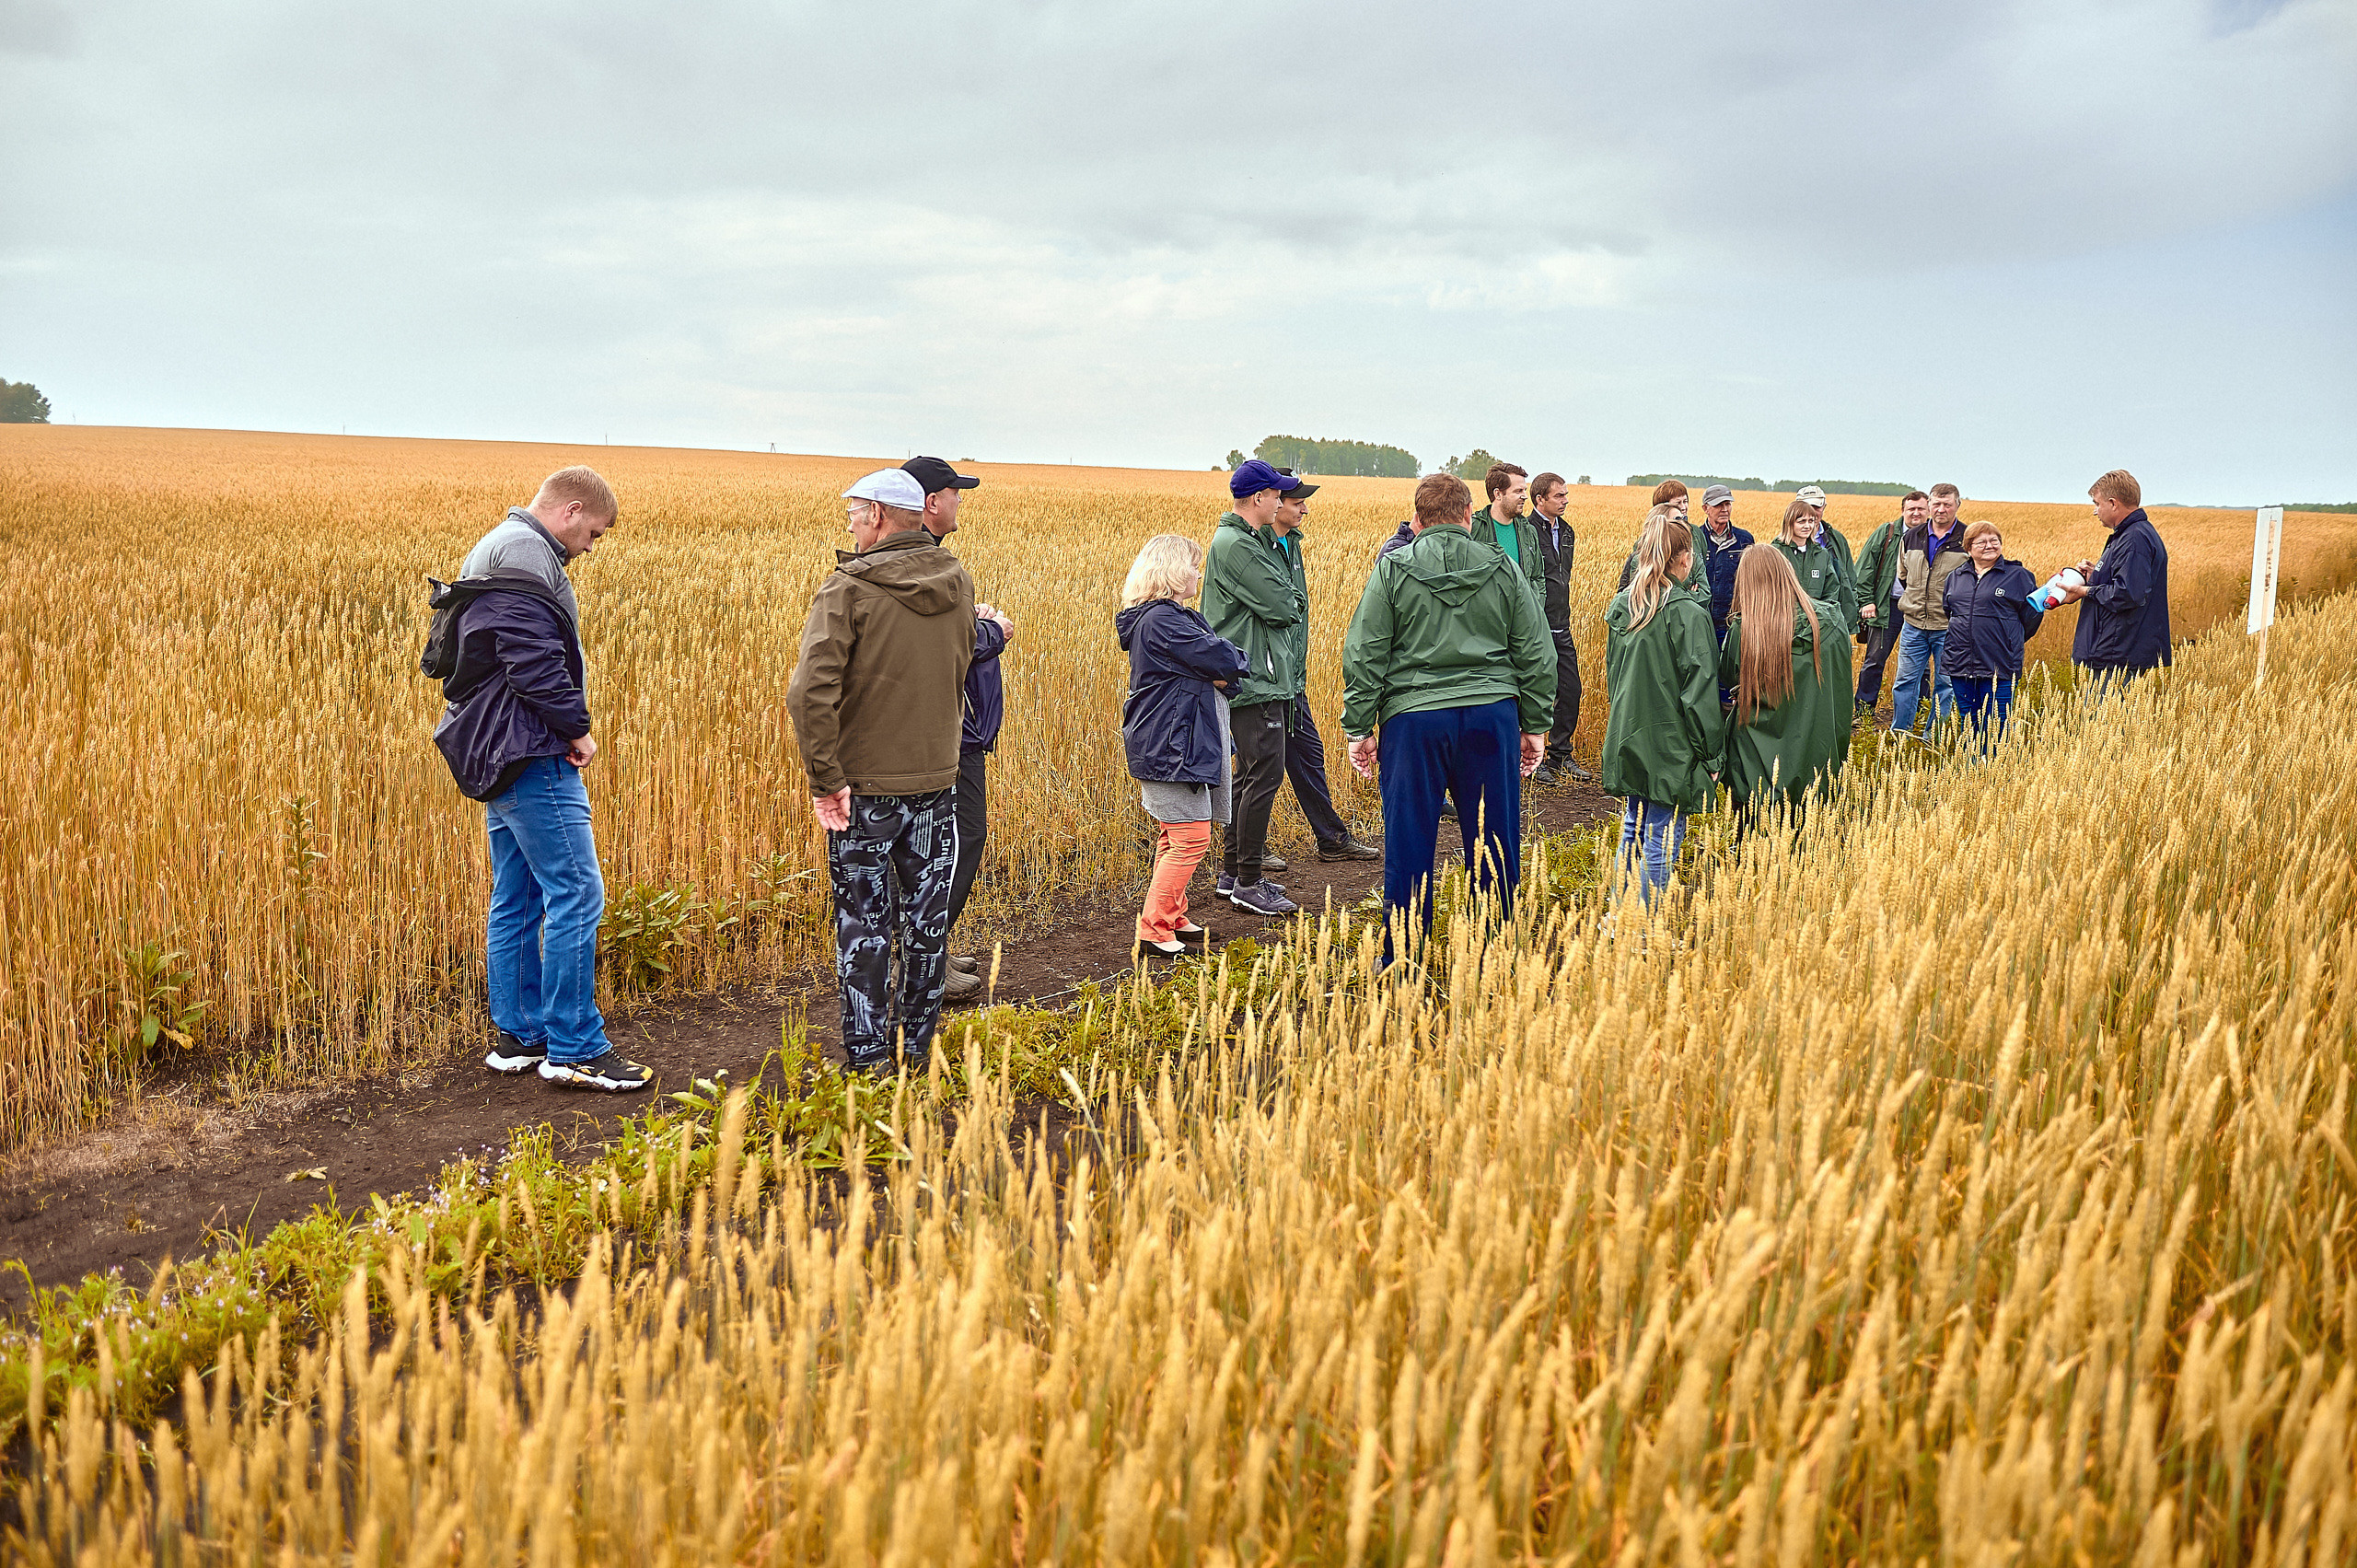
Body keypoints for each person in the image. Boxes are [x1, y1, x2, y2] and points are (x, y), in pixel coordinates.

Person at [442, 466, 652, 1092]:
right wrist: (577, 729)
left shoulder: (499, 545)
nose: (591, 547)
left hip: (497, 751)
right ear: (572, 509)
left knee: (517, 895)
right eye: (594, 532)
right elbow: (532, 663)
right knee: (577, 893)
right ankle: (575, 1045)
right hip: (530, 750)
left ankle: (521, 1034)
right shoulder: (528, 554)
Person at [785, 468, 975, 1075]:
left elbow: (809, 693)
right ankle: (916, 1052)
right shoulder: (958, 579)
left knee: (863, 930)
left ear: (878, 516)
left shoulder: (849, 587)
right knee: (926, 928)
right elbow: (964, 659)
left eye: (854, 512)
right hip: (937, 783)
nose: (848, 521)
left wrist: (825, 779)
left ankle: (868, 1063)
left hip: (864, 790)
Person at [1341, 472, 1553, 951]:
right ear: (1467, 516)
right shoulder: (1502, 565)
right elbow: (1537, 652)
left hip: (1413, 721)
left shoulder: (1393, 569)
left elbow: (1365, 651)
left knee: (1409, 838)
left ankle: (1404, 955)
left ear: (1417, 520)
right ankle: (1492, 950)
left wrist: (1359, 727)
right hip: (1490, 715)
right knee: (1494, 837)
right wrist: (1536, 724)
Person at [1116, 536, 1250, 957]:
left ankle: (1171, 913)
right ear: (1172, 571)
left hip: (1177, 742)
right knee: (1190, 837)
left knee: (1175, 836)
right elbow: (1226, 660)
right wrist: (1218, 669)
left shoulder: (1166, 618)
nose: (1198, 574)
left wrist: (1216, 671)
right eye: (1193, 566)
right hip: (1173, 746)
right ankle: (1154, 928)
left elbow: (1220, 668)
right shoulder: (1163, 621)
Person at [903, 456, 1006, 1005]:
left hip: (948, 727)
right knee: (961, 838)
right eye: (954, 492)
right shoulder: (923, 563)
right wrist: (993, 630)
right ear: (930, 502)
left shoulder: (926, 560)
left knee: (942, 841)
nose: (960, 500)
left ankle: (930, 948)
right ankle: (925, 960)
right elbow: (952, 646)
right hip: (947, 730)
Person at [1599, 509, 1724, 905]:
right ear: (1684, 559)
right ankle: (1645, 930)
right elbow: (1699, 695)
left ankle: (1620, 918)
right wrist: (1712, 754)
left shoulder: (1625, 604)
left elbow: (1613, 675)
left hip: (1628, 733)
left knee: (1632, 826)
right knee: (1662, 836)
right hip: (1671, 744)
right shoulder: (1687, 613)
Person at [1202, 459, 1306, 917]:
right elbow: (1286, 605)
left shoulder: (1242, 540)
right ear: (1260, 498)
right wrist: (1290, 593)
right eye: (1277, 494)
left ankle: (1232, 874)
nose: (1283, 501)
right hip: (1256, 677)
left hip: (1253, 673)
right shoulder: (1238, 545)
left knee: (1248, 775)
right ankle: (1248, 880)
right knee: (1263, 774)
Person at [1270, 472, 1383, 862]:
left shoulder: (1289, 543)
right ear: (1273, 502)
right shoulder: (1260, 546)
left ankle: (1331, 839)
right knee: (1258, 769)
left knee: (1306, 754)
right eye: (1297, 501)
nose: (1304, 508)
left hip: (1290, 679)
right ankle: (1242, 854)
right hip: (1267, 681)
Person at [1717, 547, 1853, 832]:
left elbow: (1729, 678)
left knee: (1756, 849)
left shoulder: (1745, 630)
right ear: (1788, 573)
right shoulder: (1832, 622)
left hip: (1758, 761)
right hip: (1818, 756)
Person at [2058, 469, 2171, 683]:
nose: (2095, 511)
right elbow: (2126, 583)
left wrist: (2084, 591)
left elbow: (2129, 593)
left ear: (2113, 503)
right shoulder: (2132, 535)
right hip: (2118, 649)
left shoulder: (2134, 539)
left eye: (2097, 504)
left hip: (2117, 652)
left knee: (2103, 715)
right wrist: (2096, 576)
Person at [1941, 521, 2045, 743]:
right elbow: (1950, 612)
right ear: (1968, 548)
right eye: (1982, 542)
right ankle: (1971, 770)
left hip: (2000, 664)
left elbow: (2032, 616)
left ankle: (1994, 772)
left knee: (1998, 723)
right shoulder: (1956, 577)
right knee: (1967, 722)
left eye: (1994, 541)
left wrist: (2008, 639)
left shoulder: (2018, 576)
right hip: (1960, 664)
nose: (1989, 545)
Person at [1526, 472, 1594, 784]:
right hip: (1537, 625)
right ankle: (1533, 759)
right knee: (1538, 692)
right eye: (1559, 496)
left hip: (1561, 622)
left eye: (1566, 495)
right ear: (1540, 499)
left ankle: (1561, 754)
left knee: (1571, 689)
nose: (1565, 501)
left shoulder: (1567, 532)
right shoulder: (1526, 532)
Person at [1890, 482, 1972, 733]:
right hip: (1913, 624)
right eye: (1936, 504)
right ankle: (1900, 734)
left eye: (1947, 504)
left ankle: (1934, 737)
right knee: (1904, 682)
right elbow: (1903, 576)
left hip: (1949, 626)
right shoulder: (1910, 537)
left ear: (1958, 505)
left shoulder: (1967, 538)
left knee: (1945, 684)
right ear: (1929, 505)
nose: (1941, 510)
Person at [1852, 490, 1926, 715]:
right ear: (1902, 510)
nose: (1916, 513)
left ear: (1929, 511)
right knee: (1875, 660)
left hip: (1921, 609)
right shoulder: (1888, 533)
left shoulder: (1934, 537)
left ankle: (1920, 712)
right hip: (1888, 607)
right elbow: (1864, 569)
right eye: (1911, 509)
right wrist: (1866, 601)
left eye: (1921, 509)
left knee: (1921, 664)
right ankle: (1864, 712)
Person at [1767, 497, 1859, 636]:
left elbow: (1832, 590)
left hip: (1816, 627)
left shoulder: (1822, 555)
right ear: (1789, 523)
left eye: (1811, 521)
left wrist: (1820, 618)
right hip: (1783, 627)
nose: (1807, 526)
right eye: (1801, 521)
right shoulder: (1775, 552)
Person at [1693, 483, 1754, 646]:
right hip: (1702, 622)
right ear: (1705, 508)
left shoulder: (1744, 540)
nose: (1725, 509)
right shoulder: (1695, 538)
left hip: (1732, 623)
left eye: (1728, 504)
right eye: (1719, 505)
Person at [1620, 479, 1705, 592]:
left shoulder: (1696, 532)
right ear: (1663, 507)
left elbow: (1703, 575)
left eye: (1685, 501)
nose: (1684, 507)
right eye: (1678, 503)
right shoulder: (1647, 540)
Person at [1794, 484, 1859, 614]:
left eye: (1816, 507)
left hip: (1832, 616)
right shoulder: (1782, 545)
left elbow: (1850, 580)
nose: (1812, 512)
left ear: (1824, 507)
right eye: (1807, 507)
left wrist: (1851, 611)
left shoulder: (1837, 540)